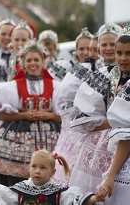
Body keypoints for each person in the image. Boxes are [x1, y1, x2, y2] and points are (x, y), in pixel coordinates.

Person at [0, 43, 61, 186]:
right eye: (29, 60)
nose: (32, 63)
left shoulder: (56, 86)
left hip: (50, 136)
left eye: (36, 60)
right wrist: (24, 115)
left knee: (50, 179)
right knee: (15, 182)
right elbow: (2, 116)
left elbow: (63, 117)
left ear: (43, 62)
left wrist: (49, 116)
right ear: (23, 63)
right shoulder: (12, 86)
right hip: (19, 138)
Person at [68, 23, 122, 192]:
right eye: (104, 44)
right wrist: (113, 122)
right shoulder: (101, 75)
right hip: (104, 138)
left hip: (122, 138)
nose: (108, 48)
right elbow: (84, 114)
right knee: (95, 187)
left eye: (113, 45)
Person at [53, 28, 95, 186]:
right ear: (76, 52)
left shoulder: (95, 69)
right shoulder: (75, 71)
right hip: (72, 128)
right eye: (81, 49)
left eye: (89, 49)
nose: (85, 52)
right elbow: (63, 97)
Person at [0, 149, 106, 205]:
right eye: (34, 167)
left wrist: (96, 198)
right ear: (29, 168)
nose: (37, 171)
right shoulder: (20, 189)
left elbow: (76, 201)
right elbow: (2, 201)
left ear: (52, 172)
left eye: (43, 168)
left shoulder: (59, 192)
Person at [95, 26, 130, 204]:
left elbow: (126, 133)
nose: (123, 58)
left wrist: (110, 175)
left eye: (129, 53)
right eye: (119, 53)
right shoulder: (113, 76)